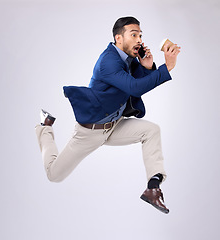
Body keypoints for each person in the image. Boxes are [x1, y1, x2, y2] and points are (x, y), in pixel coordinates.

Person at [35, 16, 180, 214]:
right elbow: (134, 87)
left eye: (140, 35)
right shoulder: (108, 61)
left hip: (114, 125)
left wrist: (147, 67)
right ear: (118, 38)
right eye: (134, 34)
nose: (139, 39)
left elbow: (138, 85)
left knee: (151, 130)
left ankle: (153, 187)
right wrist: (168, 68)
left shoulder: (129, 59)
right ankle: (45, 126)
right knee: (54, 175)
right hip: (90, 132)